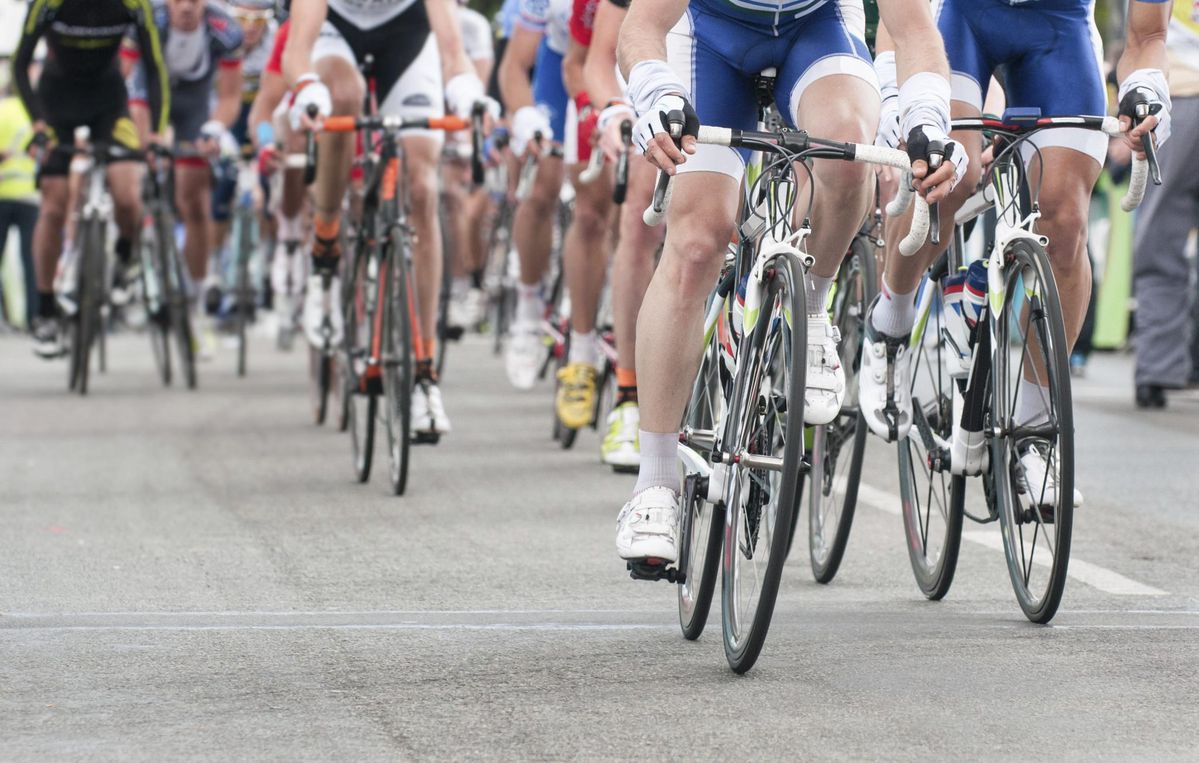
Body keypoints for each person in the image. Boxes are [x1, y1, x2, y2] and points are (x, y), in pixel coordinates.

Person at [613, 0, 964, 565]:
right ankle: (655, 483)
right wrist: (656, 91)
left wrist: (927, 117)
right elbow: (641, 26)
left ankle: (815, 305)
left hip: (814, 29)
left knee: (850, 155)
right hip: (707, 35)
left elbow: (915, 29)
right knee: (700, 241)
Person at [863, 1, 1170, 504]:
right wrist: (895, 87)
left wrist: (1145, 90)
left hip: (1058, 27)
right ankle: (891, 319)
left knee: (1065, 220)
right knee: (949, 177)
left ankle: (1035, 428)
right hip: (961, 21)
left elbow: (1147, 36)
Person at [282, 0, 494, 439]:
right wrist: (307, 87)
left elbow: (453, 52)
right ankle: (325, 242)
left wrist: (469, 92)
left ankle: (424, 375)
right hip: (335, 31)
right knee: (343, 95)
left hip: (406, 33)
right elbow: (296, 47)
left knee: (423, 187)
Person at [12, 0, 169, 359]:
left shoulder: (134, 4)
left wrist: (157, 135)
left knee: (127, 195)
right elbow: (20, 64)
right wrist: (37, 123)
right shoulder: (48, 3)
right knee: (53, 204)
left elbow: (155, 66)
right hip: (56, 102)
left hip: (108, 103)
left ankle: (124, 258)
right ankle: (47, 310)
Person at [126, 0, 244, 356]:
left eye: (194, 0)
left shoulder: (225, 31)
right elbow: (130, 85)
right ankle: (136, 257)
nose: (186, 8)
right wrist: (146, 139)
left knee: (194, 199)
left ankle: (194, 301)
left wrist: (213, 129)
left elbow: (229, 96)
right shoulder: (149, 21)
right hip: (148, 98)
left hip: (193, 105)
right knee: (134, 169)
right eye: (178, 0)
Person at [584, 0, 667, 472]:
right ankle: (628, 394)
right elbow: (599, 59)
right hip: (655, 69)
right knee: (639, 209)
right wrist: (616, 110)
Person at [497, 0, 572, 391]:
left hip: (622, 68)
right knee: (545, 180)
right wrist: (524, 115)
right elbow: (513, 65)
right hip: (560, 70)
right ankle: (528, 311)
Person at [552, 0, 617, 433]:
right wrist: (589, 105)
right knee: (591, 213)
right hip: (602, 84)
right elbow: (576, 63)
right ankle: (580, 352)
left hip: (667, 74)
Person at [1132, 2, 1199, 409]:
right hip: (1174, 93)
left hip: (1177, 97)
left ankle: (1159, 368)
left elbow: (1141, 35)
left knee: (1159, 241)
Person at [444, 0, 495, 332]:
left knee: (466, 207)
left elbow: (479, 80)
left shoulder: (473, 24)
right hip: (429, 117)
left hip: (467, 118)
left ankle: (469, 283)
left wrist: (467, 139)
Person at [0, 74, 39, 329]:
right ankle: (34, 317)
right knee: (31, 260)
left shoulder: (1, 110)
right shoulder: (34, 115)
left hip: (2, 193)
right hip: (30, 195)